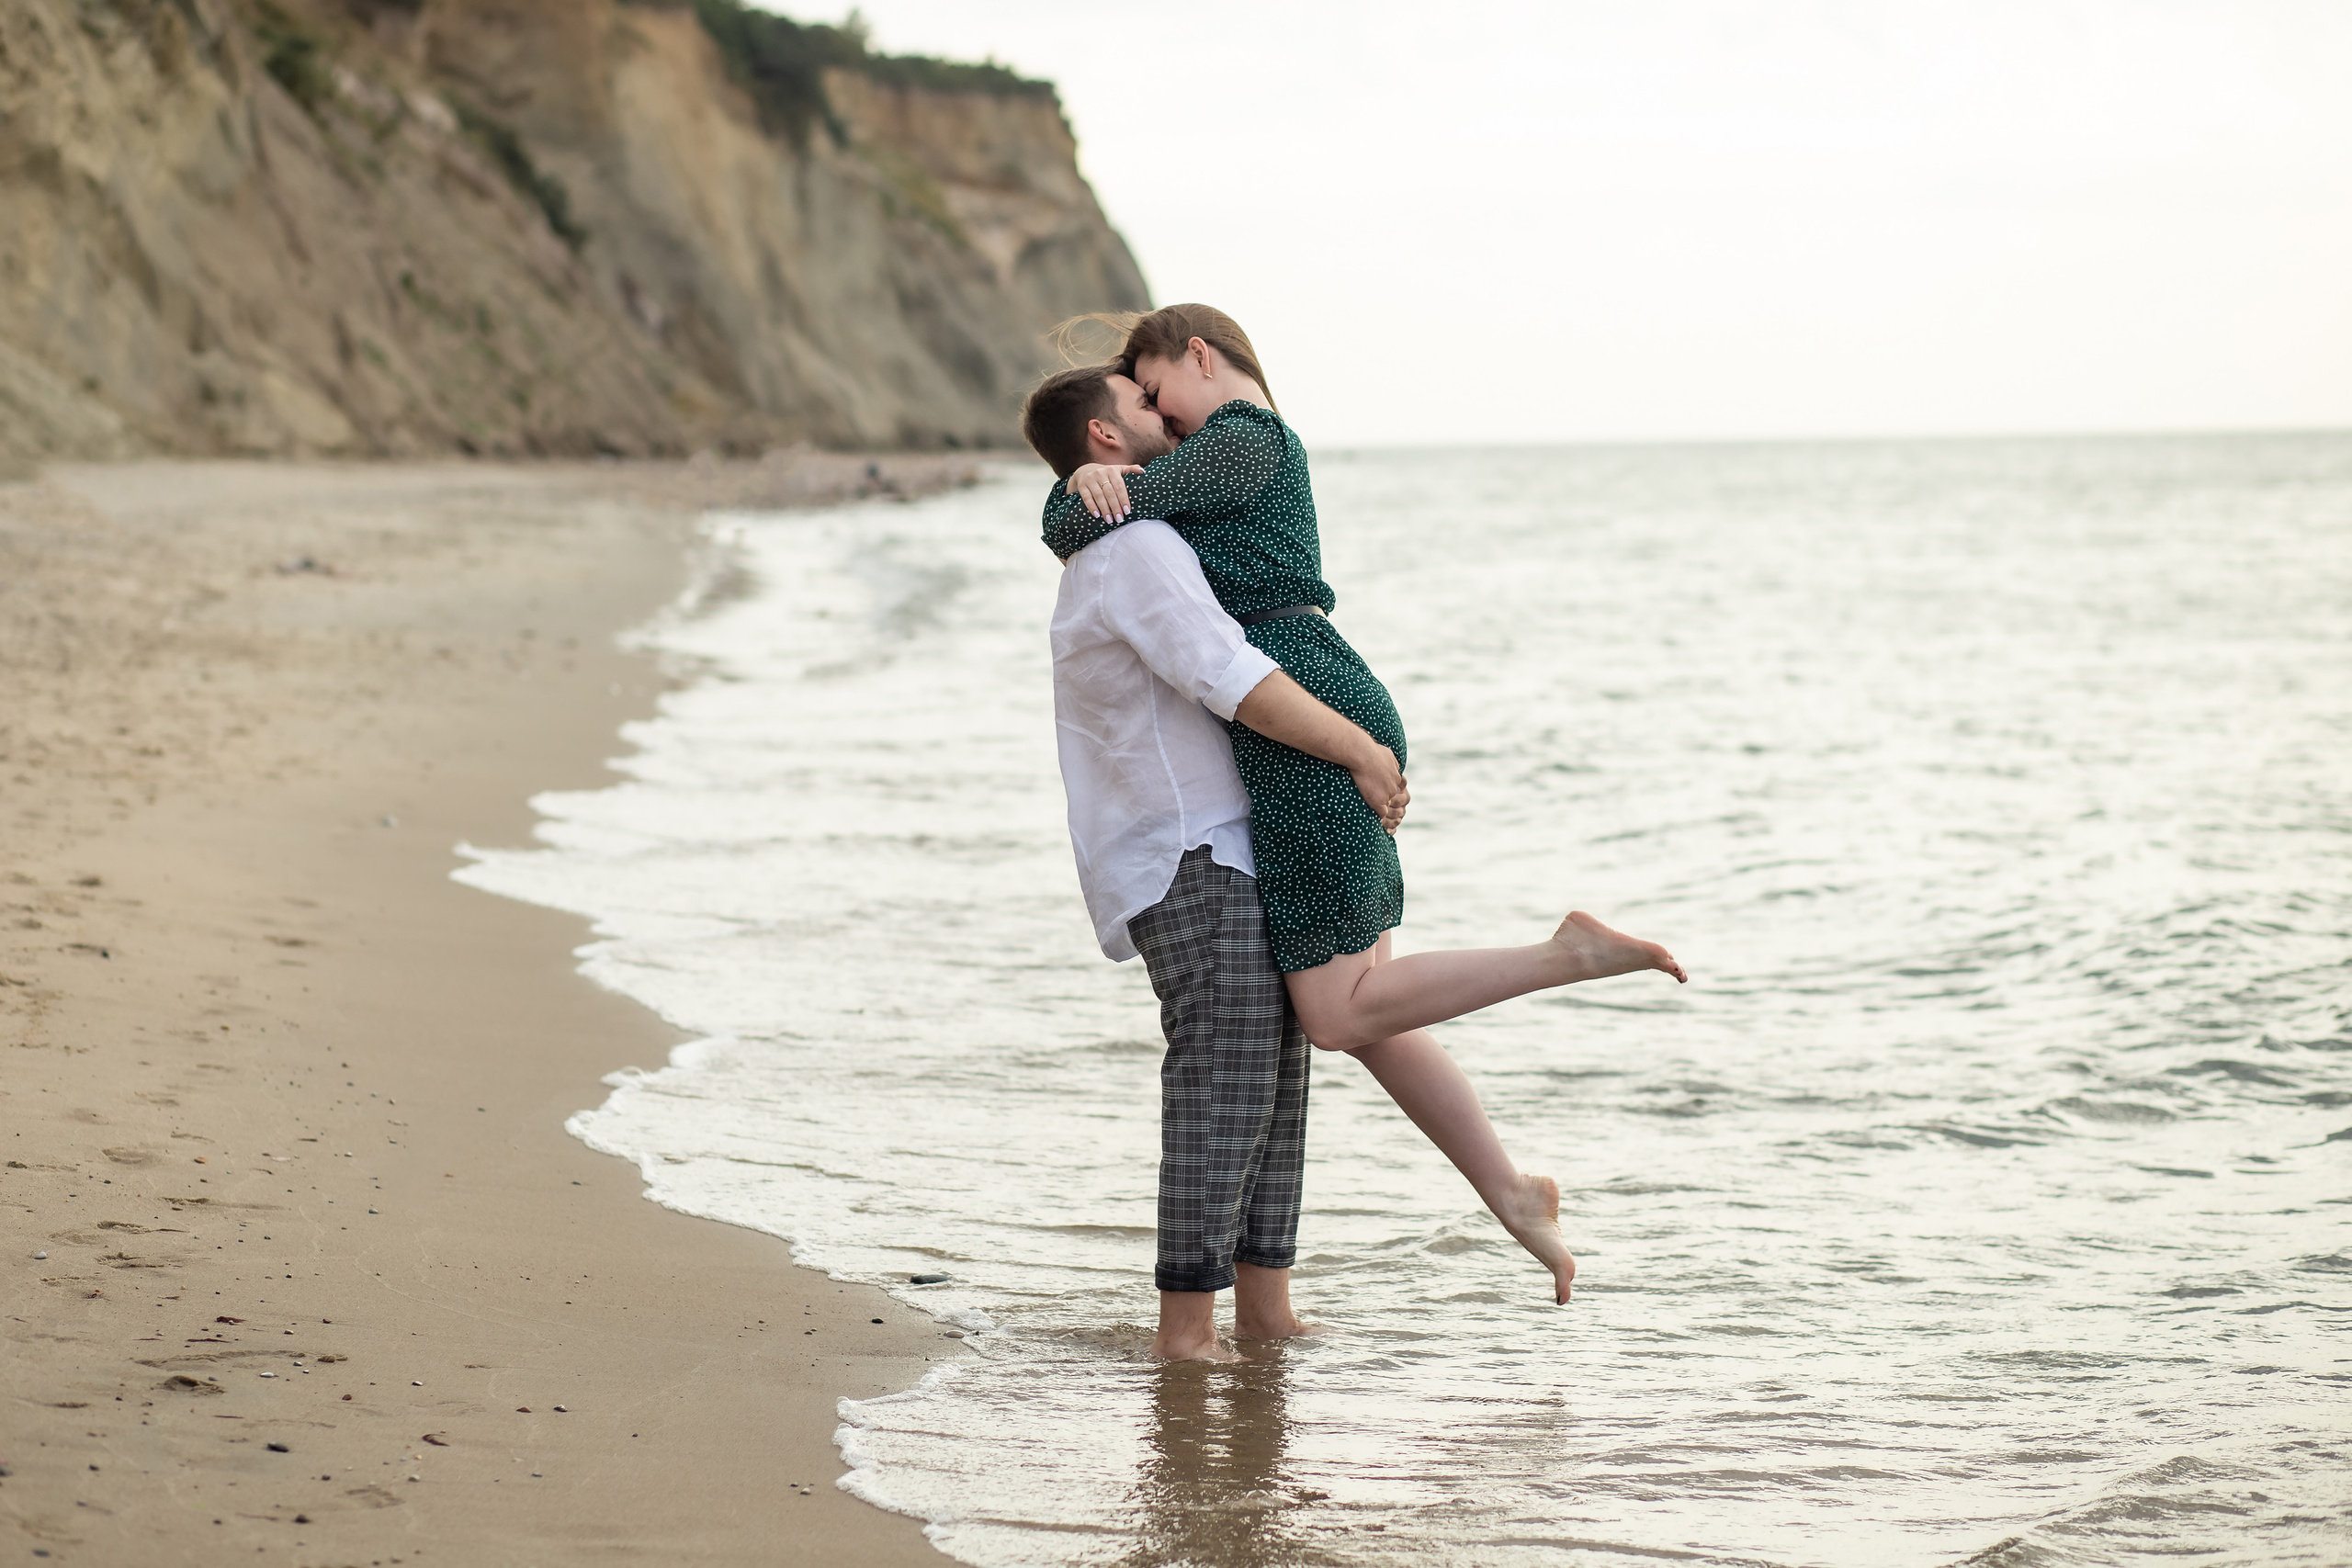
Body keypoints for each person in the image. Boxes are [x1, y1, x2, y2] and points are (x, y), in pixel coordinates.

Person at [1038, 306, 1689, 1305]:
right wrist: (1083, 482)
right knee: (1362, 1010)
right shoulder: (1230, 449)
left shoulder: (1243, 440)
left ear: (1199, 356)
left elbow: (1085, 521)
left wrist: (1087, 487)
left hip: (1300, 701)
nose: (1160, 410)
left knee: (1337, 1014)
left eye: (1157, 384)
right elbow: (1087, 520)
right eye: (1141, 404)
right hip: (1306, 700)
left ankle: (1566, 956)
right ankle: (1512, 1194)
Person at [1027, 362, 1402, 1359]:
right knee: (1225, 1077)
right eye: (1142, 404)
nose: (1166, 416)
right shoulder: (1136, 547)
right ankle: (1186, 1331)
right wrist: (1358, 749)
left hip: (1221, 840)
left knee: (1273, 1079)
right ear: (1105, 439)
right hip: (1179, 849)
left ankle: (1265, 1313)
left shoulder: (1131, 530)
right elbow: (1231, 677)